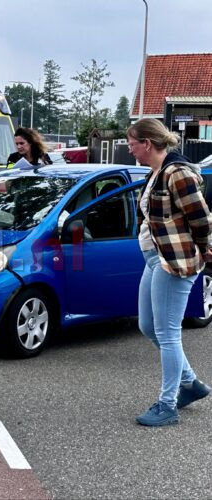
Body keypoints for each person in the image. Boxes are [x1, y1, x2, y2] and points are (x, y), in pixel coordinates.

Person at [130, 118, 212, 426]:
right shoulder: (156, 172)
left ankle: (168, 405)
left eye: (132, 144)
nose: (130, 149)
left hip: (173, 260)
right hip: (155, 258)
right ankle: (190, 384)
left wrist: (204, 247)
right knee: (148, 326)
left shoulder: (176, 173)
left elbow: (201, 218)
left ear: (147, 144)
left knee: (167, 332)